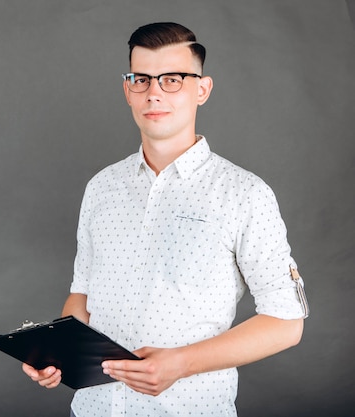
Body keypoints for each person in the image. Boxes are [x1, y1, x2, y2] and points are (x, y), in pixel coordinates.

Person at [22, 22, 309, 416]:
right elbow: (82, 297)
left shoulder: (244, 194)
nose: (154, 92)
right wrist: (57, 353)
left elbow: (286, 321)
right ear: (128, 90)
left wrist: (181, 363)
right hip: (92, 408)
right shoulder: (101, 188)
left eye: (172, 79)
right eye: (141, 79)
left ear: (202, 89)